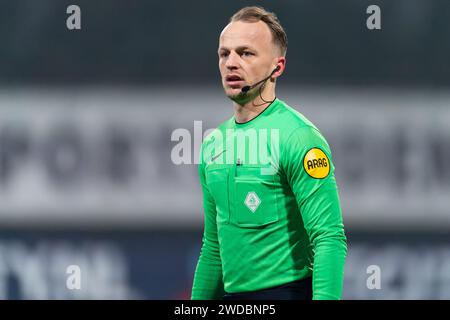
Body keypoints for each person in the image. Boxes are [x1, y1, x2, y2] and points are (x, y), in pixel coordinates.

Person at [191, 6, 347, 300]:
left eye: (246, 53)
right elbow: (213, 248)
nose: (231, 63)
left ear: (277, 67)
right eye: (224, 54)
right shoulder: (213, 144)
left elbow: (329, 238)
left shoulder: (298, 138)